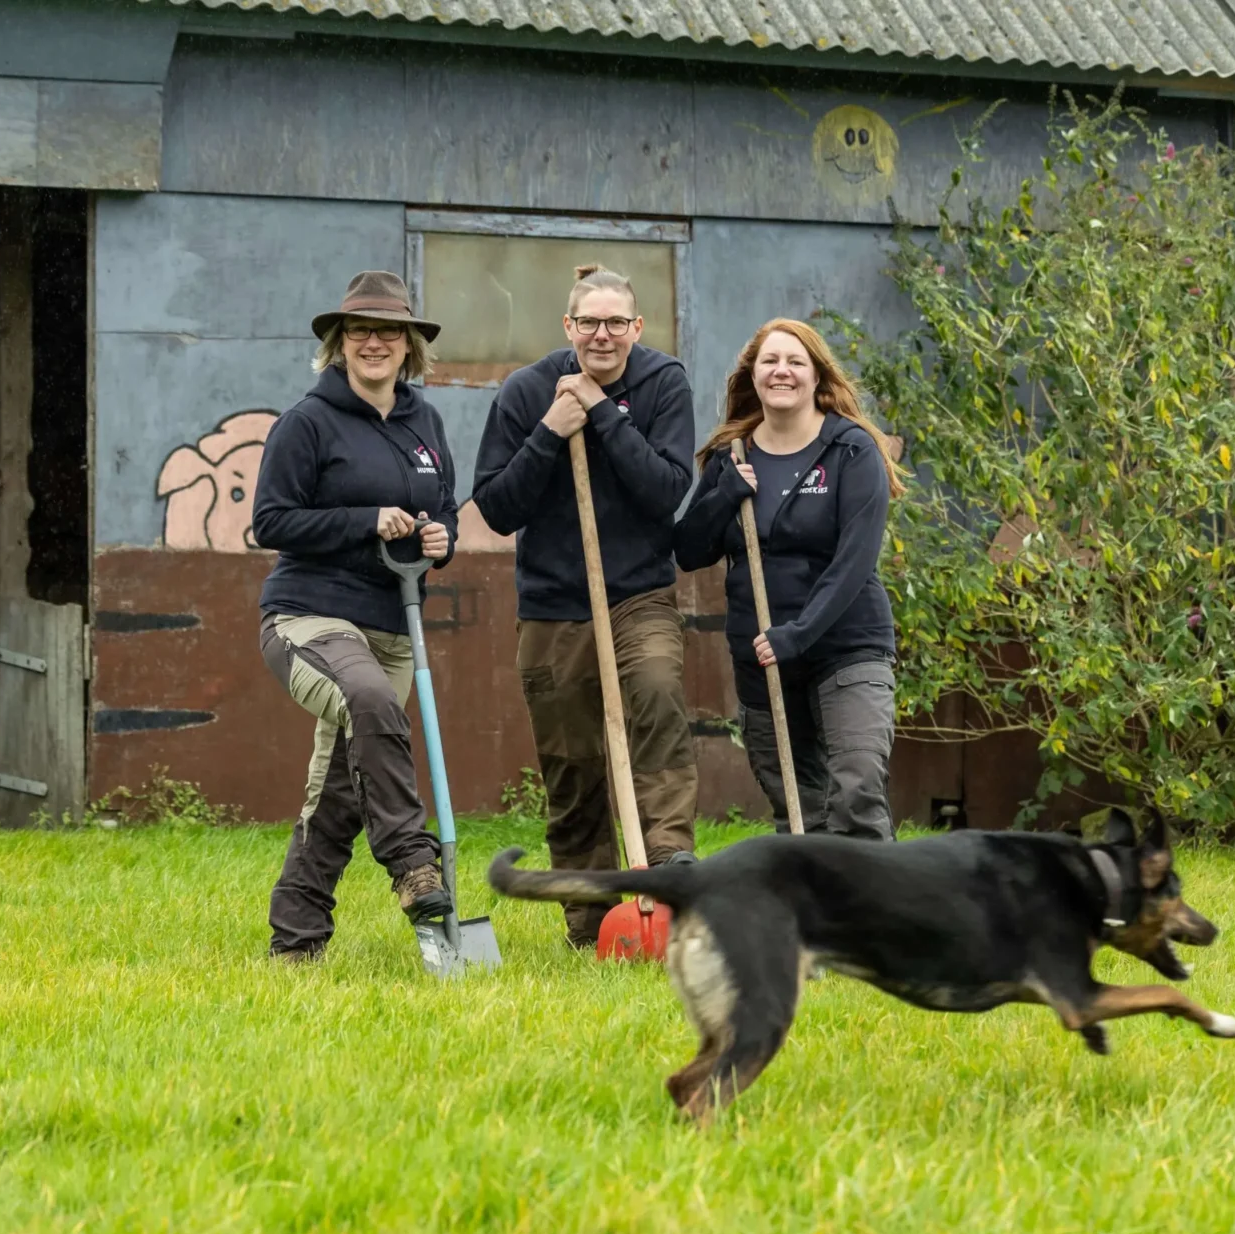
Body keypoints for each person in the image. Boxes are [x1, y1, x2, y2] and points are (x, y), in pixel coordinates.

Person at [471, 264, 698, 948]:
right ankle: (589, 917)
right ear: (568, 327)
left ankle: (670, 869)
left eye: (616, 323)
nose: (603, 334)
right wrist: (550, 431)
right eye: (589, 323)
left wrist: (601, 413)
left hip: (638, 594)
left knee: (655, 694)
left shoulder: (662, 385)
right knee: (571, 760)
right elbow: (497, 506)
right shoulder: (526, 392)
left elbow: (666, 492)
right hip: (553, 603)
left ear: (637, 328)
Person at [252, 269, 461, 962]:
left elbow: (446, 510)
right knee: (369, 700)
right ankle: (412, 862)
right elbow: (272, 520)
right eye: (361, 332)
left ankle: (296, 942)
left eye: (389, 332)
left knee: (340, 790)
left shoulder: (424, 422)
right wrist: (364, 519)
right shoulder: (306, 423)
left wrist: (441, 540)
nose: (375, 343)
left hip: (396, 623)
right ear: (340, 344)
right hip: (309, 620)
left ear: (409, 345)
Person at [674, 319, 907, 839]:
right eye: (770, 361)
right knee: (799, 812)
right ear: (752, 376)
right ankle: (814, 918)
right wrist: (723, 494)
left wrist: (798, 633)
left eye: (795, 361)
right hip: (761, 655)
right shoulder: (730, 456)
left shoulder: (851, 450)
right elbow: (689, 550)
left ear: (816, 376)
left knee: (857, 792)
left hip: (848, 646)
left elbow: (855, 560)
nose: (782, 371)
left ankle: (879, 917)